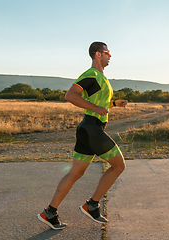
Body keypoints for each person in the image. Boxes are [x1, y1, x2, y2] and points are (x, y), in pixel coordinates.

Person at [37, 41, 127, 230]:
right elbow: (70, 95)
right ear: (97, 54)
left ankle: (49, 213)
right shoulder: (92, 75)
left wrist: (114, 104)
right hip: (92, 129)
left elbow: (99, 103)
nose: (110, 56)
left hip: (88, 129)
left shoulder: (101, 77)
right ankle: (92, 205)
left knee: (76, 172)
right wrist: (95, 108)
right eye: (107, 52)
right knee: (119, 165)